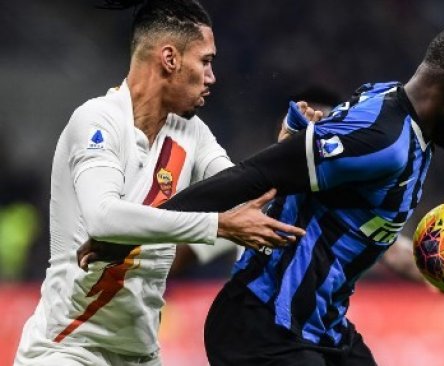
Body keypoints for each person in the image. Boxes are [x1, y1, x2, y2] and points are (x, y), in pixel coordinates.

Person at [81, 26, 444, 365]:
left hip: (322, 330)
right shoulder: (380, 145)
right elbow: (253, 174)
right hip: (264, 330)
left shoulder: (396, 100)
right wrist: (129, 233)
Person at [14, 1, 306, 365]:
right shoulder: (97, 123)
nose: (212, 76)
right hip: (68, 349)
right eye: (205, 61)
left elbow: (240, 192)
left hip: (141, 354)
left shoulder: (192, 133)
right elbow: (103, 219)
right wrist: (216, 225)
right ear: (169, 59)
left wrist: (287, 152)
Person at [170, 86, 344, 277]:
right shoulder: (257, 201)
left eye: (321, 123)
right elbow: (176, 259)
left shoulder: (358, 199)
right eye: (301, 122)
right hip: (253, 302)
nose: (311, 133)